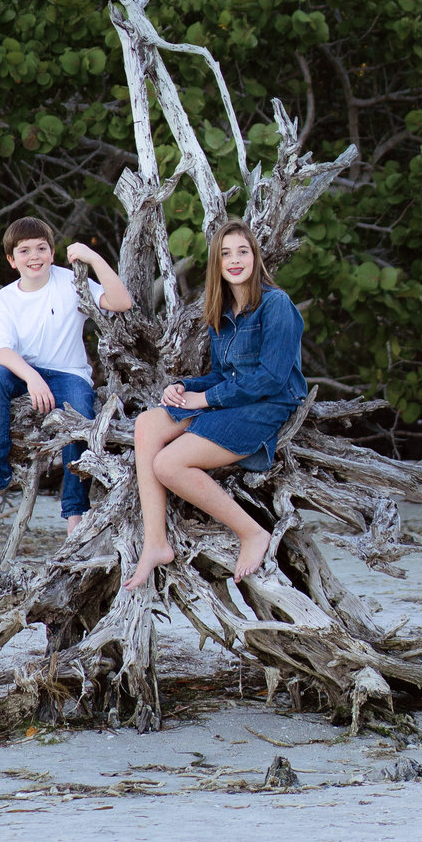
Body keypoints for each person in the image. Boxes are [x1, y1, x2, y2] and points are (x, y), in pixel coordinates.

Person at [124, 217, 306, 589]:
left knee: (170, 464)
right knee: (147, 424)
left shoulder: (276, 305)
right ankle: (156, 542)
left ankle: (252, 533)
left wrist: (205, 398)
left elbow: (271, 378)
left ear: (255, 257)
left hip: (268, 405)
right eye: (226, 254)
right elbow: (224, 374)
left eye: (242, 251)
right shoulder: (220, 312)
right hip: (235, 398)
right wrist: (182, 386)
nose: (235, 260)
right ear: (217, 264)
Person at [0, 215, 132, 535]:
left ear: (52, 253)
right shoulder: (6, 298)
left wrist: (93, 257)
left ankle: (75, 510)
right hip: (23, 372)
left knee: (81, 415)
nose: (34, 257)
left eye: (41, 249)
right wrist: (31, 378)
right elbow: (2, 352)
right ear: (12, 260)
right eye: (25, 251)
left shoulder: (70, 282)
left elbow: (121, 301)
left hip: (69, 374)